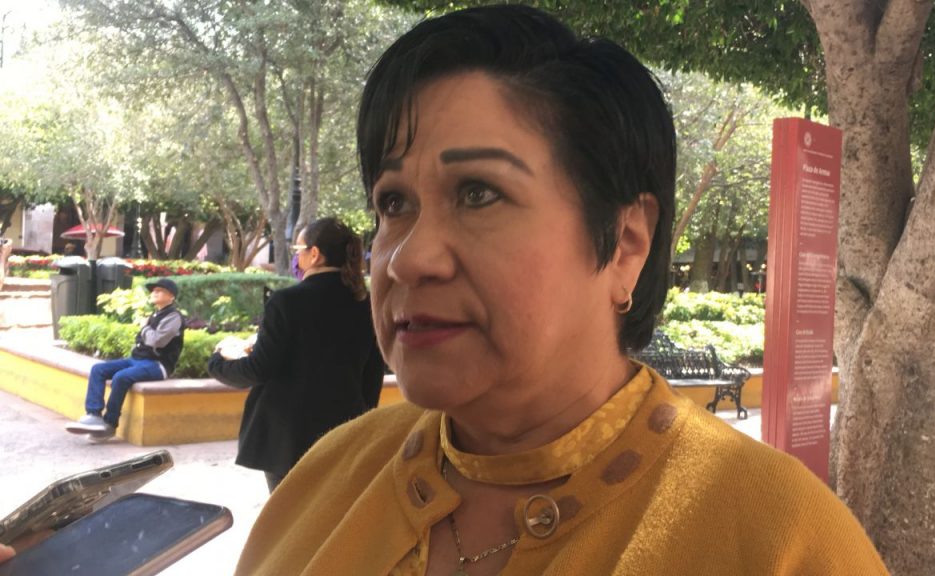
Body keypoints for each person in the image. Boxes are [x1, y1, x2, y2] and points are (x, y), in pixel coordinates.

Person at [234, 6, 889, 575]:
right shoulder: (325, 481)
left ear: (626, 242)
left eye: (478, 193)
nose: (408, 260)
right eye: (394, 203)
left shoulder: (780, 539)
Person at [207, 217, 385, 492]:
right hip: (343, 434)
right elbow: (372, 376)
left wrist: (217, 362)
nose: (296, 257)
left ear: (314, 254)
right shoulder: (366, 305)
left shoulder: (286, 302)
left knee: (288, 515)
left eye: (298, 250)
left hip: (287, 439)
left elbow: (259, 368)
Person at [65, 278, 184, 442]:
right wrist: (145, 327)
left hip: (158, 365)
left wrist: (144, 327)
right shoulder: (156, 314)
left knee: (121, 377)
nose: (154, 293)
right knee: (98, 370)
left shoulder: (174, 316)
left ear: (171, 297)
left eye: (160, 291)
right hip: (137, 359)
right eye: (154, 290)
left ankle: (109, 424)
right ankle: (93, 415)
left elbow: (157, 341)